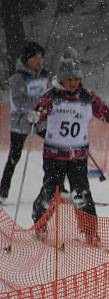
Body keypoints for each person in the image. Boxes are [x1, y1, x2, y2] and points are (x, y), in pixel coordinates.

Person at [26, 47, 109, 243]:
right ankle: (39, 224)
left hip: (78, 156)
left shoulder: (88, 98)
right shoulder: (52, 96)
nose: (73, 83)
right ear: (62, 79)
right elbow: (39, 109)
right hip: (54, 155)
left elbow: (107, 114)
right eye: (69, 79)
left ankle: (90, 232)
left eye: (76, 79)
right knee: (50, 193)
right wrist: (35, 116)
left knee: (81, 194)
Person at [0, 41, 49, 203]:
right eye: (36, 58)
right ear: (27, 59)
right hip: (21, 122)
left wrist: (45, 108)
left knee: (56, 147)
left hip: (40, 119)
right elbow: (20, 101)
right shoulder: (17, 78)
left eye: (41, 58)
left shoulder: (44, 75)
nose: (39, 61)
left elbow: (49, 95)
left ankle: (56, 186)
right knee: (15, 156)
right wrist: (38, 106)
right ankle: (3, 191)